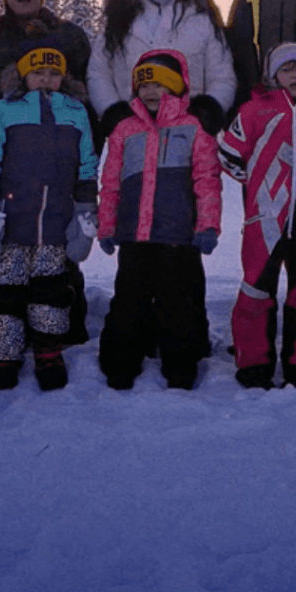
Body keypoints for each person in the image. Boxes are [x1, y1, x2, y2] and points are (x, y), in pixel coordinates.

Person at [0, 0, 96, 343]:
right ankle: (8, 331)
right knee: (10, 251)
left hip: (59, 160)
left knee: (59, 251)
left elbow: (85, 96)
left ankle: (59, 329)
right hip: (8, 160)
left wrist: (82, 161)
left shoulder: (70, 36)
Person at [0, 39, 98, 391]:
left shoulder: (76, 112)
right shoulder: (2, 110)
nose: (45, 79)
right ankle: (2, 352)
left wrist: (86, 206)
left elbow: (87, 161)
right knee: (5, 291)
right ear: (23, 75)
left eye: (54, 73)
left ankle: (48, 350)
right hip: (12, 221)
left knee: (51, 291)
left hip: (55, 221)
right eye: (38, 72)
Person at [95, 48, 222, 390]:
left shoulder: (192, 127)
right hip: (134, 236)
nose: (151, 91)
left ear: (177, 87)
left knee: (177, 303)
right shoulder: (124, 129)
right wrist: (107, 226)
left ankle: (181, 364)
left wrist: (208, 225)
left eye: (160, 84)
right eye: (144, 85)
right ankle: (121, 362)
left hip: (177, 236)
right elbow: (111, 182)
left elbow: (207, 181)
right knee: (128, 301)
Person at [216, 42, 296, 389]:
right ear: (273, 76)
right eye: (287, 69)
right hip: (265, 218)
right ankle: (254, 363)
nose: (294, 76)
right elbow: (227, 154)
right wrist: (255, 181)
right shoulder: (254, 110)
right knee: (256, 290)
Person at [88, 0, 236, 137]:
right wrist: (112, 111)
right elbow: (99, 71)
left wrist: (208, 111)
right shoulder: (119, 17)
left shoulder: (203, 20)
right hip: (130, 131)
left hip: (190, 132)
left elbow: (222, 75)